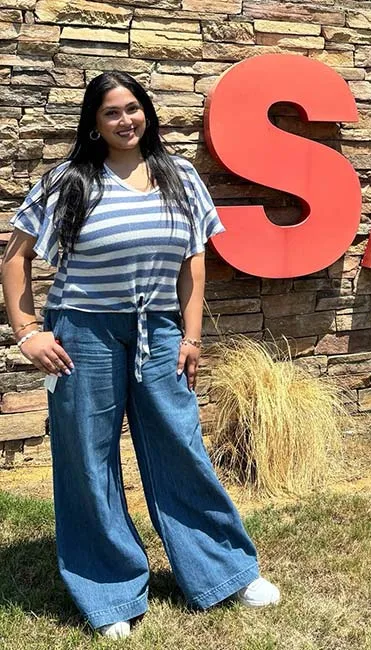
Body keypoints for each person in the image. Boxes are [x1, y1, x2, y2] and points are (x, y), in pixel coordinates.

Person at [1, 71, 280, 639]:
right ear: (94, 123)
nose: (126, 120)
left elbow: (192, 263)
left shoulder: (180, 177)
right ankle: (107, 590)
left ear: (146, 111)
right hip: (83, 334)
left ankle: (223, 571)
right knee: (87, 459)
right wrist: (27, 330)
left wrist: (192, 336)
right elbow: (15, 255)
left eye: (133, 108)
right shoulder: (69, 179)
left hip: (158, 331)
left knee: (180, 446)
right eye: (111, 113)